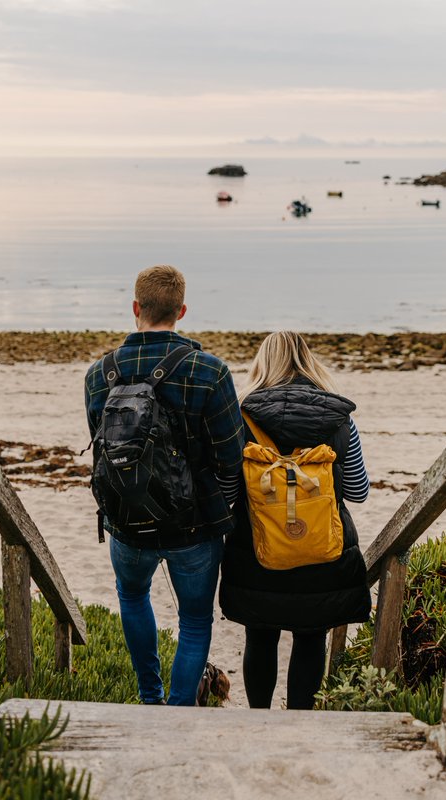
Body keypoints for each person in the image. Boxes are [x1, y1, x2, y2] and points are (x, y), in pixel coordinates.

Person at [85, 265, 245, 706]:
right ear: (182, 311)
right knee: (195, 621)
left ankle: (149, 697)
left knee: (132, 597)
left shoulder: (99, 375)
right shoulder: (210, 372)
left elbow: (103, 451)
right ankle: (178, 712)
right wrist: (220, 507)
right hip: (194, 527)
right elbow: (232, 457)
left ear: (135, 308)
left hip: (126, 522)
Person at [219, 331, 372, 709]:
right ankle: (301, 719)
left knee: (260, 637)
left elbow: (226, 493)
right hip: (323, 552)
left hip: (256, 551)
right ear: (309, 362)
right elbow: (357, 490)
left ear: (262, 364)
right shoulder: (340, 418)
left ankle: (259, 719)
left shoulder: (241, 417)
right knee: (311, 637)